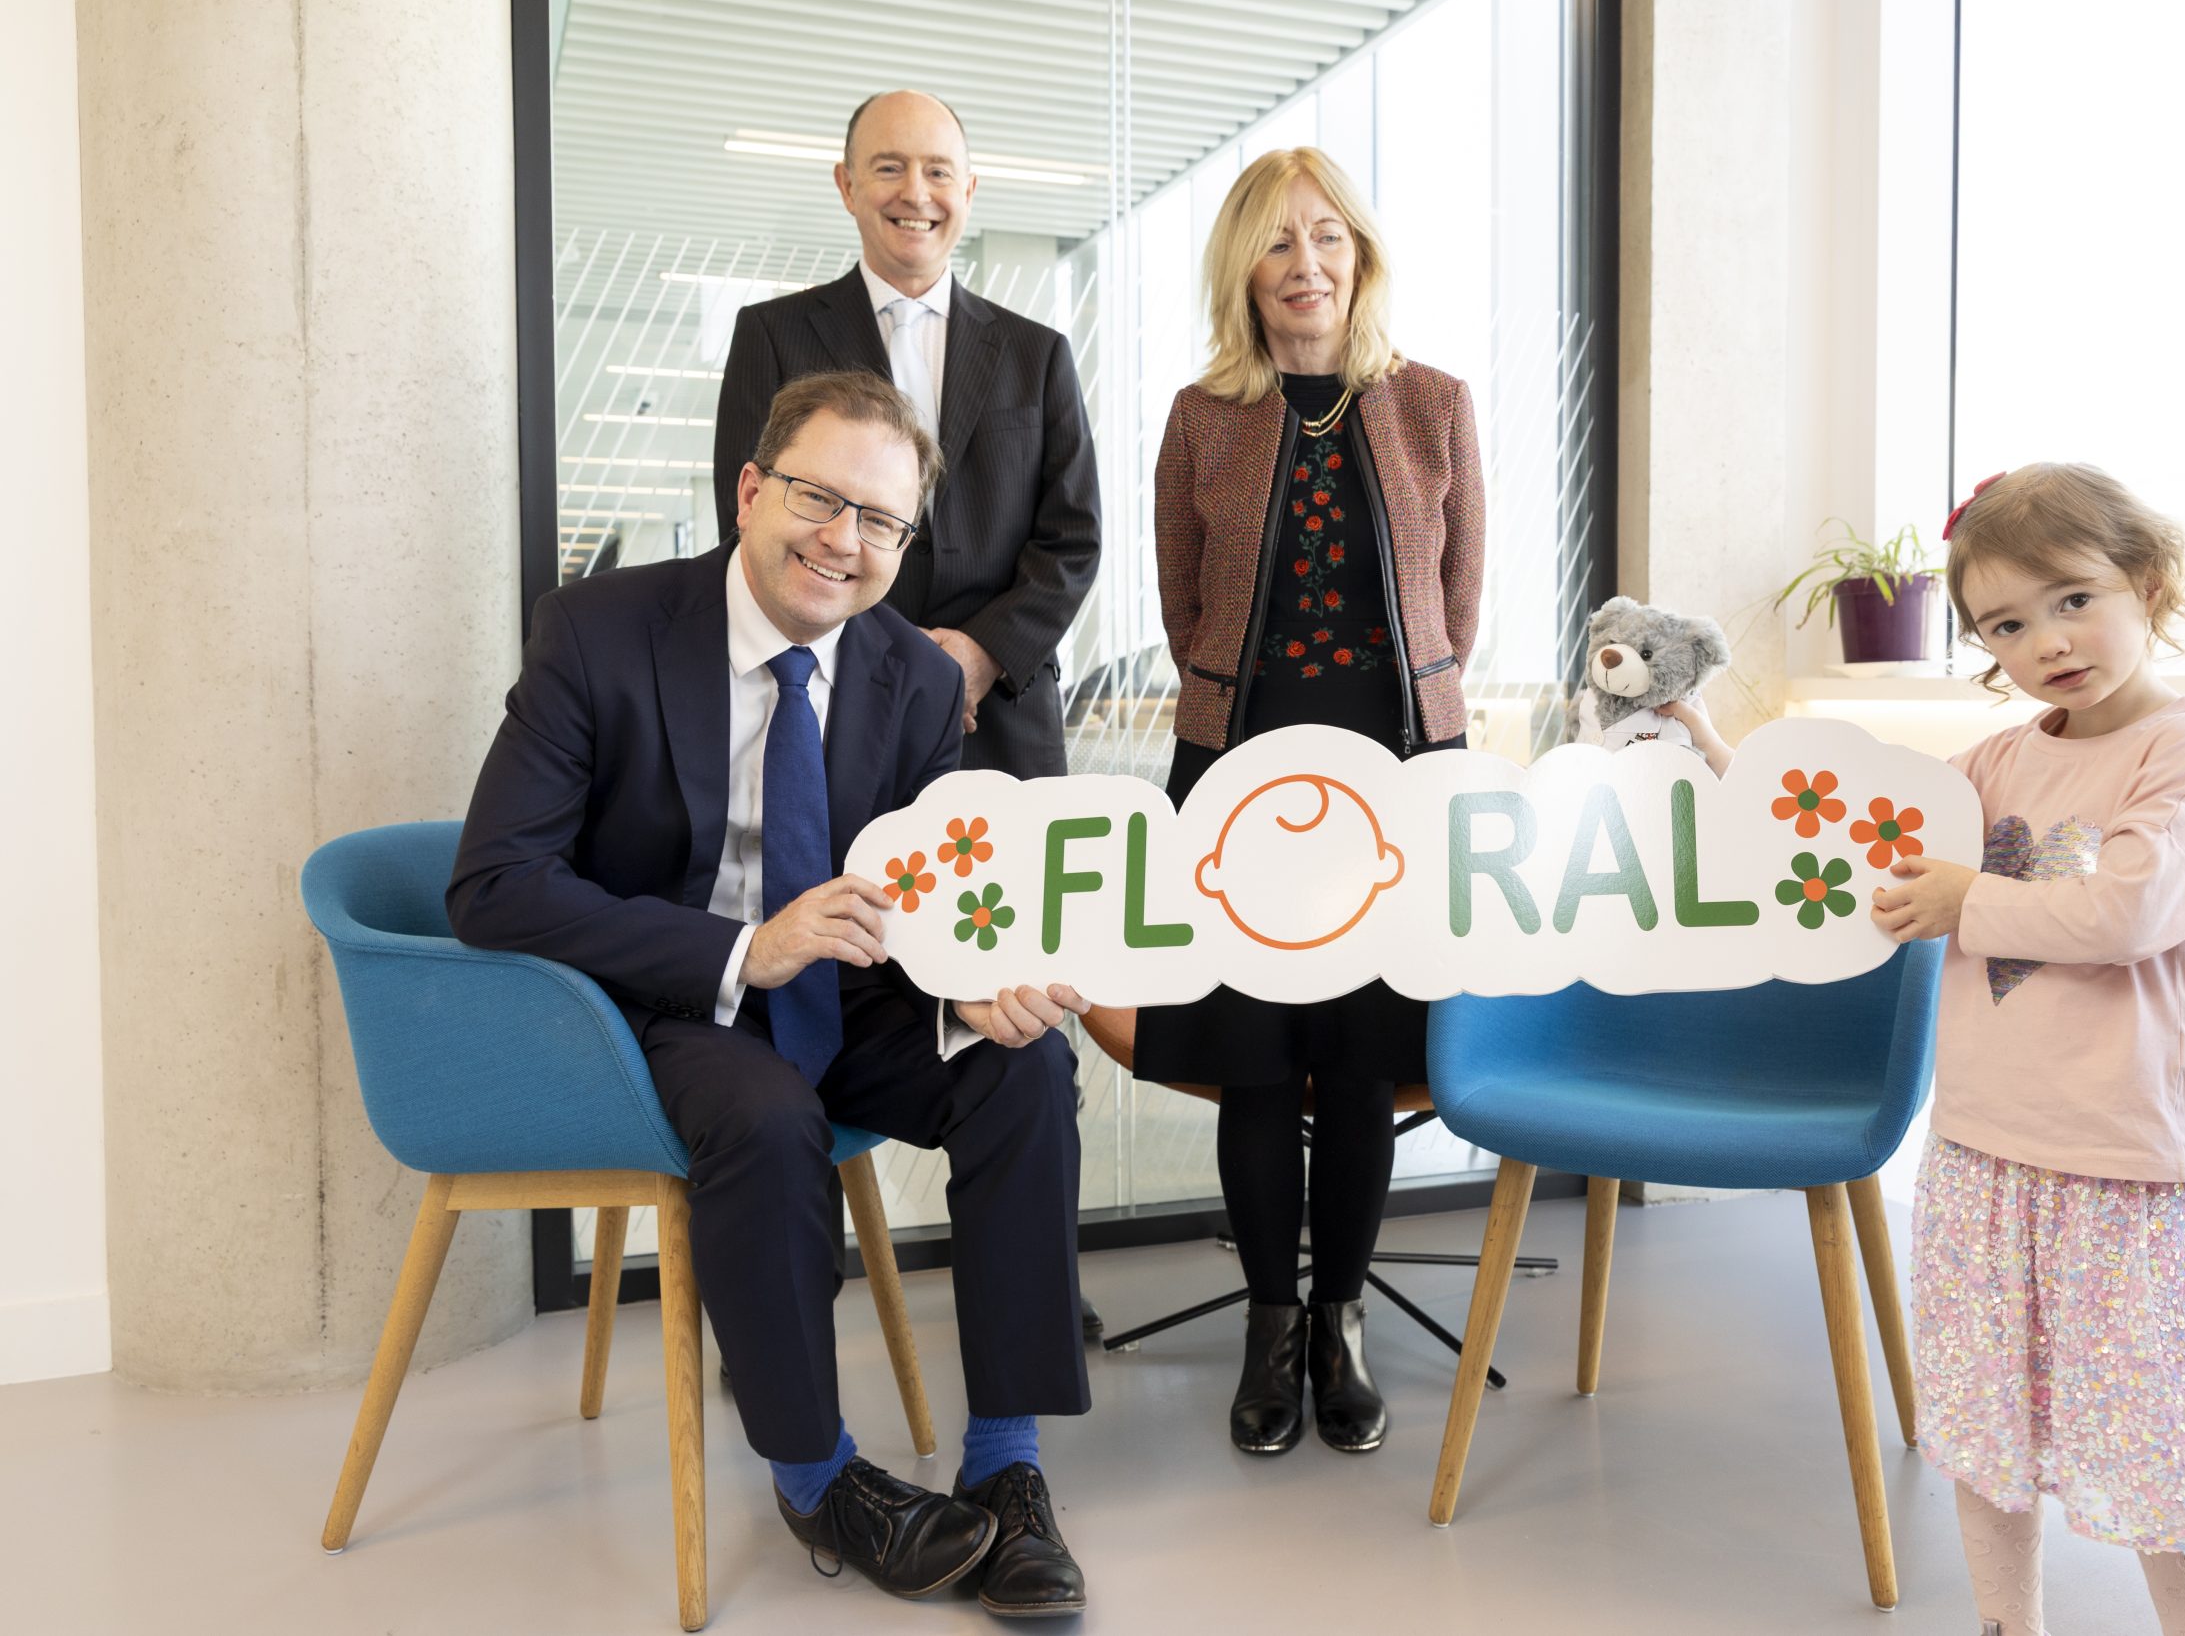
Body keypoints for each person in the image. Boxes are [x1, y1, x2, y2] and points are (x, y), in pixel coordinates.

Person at [450, 370, 1094, 1619]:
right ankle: (817, 1475)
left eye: (882, 523)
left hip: (851, 1002)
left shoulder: (912, 676)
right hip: (668, 1004)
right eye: (818, 498)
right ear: (750, 490)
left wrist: (982, 979)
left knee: (1023, 1064)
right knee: (761, 1114)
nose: (843, 543)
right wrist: (744, 951)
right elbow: (493, 884)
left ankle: (1007, 1463)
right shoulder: (598, 631)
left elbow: (927, 893)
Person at [1870, 465, 2185, 1636]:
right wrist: (1713, 754)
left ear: (2146, 584)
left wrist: (1963, 900)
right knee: (1981, 1424)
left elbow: (2124, 913)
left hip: (2123, 1164)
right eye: (2006, 625)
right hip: (1978, 1151)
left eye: (2071, 600)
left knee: (2156, 1442)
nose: (2046, 642)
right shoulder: (1996, 764)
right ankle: (2008, 1623)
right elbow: (1862, 827)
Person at [1139, 147, 1485, 1456]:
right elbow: (1184, 607)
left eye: (1329, 239)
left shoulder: (1434, 405)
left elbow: (1459, 596)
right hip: (1241, 775)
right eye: (1278, 243)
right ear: (1244, 268)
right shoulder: (1201, 416)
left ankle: (1338, 1319)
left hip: (1399, 781)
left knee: (1358, 1063)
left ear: (1363, 257)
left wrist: (1419, 721)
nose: (1307, 266)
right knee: (1253, 1062)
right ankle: (1268, 1322)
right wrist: (1249, 713)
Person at [712, 89, 1102, 783]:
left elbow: (1073, 540)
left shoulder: (1037, 354)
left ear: (969, 189)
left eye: (939, 171)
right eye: (889, 167)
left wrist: (980, 655)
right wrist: (887, 658)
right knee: (850, 893)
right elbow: (751, 526)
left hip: (1002, 715)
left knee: (1003, 893)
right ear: (847, 184)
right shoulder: (773, 336)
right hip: (834, 700)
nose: (915, 192)